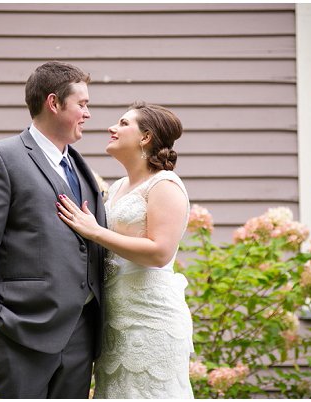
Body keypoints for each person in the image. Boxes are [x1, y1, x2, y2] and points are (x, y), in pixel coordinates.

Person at [0, 61, 106, 398]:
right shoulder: (1, 158)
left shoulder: (79, 165)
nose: (88, 114)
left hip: (81, 334)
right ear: (54, 103)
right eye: (82, 104)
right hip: (17, 332)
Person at [56, 102, 193, 398]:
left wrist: (95, 231)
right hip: (114, 323)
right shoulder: (118, 187)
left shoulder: (165, 185)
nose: (111, 128)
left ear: (145, 137)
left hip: (150, 322)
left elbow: (160, 252)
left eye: (123, 123)